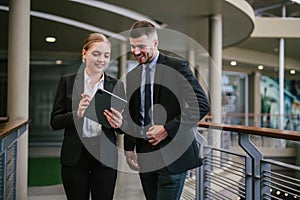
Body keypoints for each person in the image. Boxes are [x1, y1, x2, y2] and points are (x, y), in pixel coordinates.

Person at [123, 20, 210, 200]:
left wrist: (166, 130)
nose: (136, 52)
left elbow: (201, 104)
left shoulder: (177, 66)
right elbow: (134, 113)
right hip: (145, 156)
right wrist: (129, 146)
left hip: (173, 155)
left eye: (141, 46)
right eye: (132, 47)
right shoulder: (132, 76)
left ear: (155, 43)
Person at [50, 33, 124, 200]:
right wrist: (77, 114)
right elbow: (55, 121)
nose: (101, 60)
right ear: (84, 54)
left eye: (106, 55)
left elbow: (123, 127)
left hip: (105, 157)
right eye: (96, 54)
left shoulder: (116, 85)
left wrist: (120, 123)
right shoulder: (67, 82)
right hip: (75, 157)